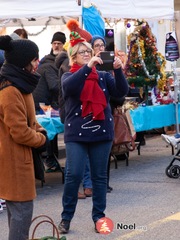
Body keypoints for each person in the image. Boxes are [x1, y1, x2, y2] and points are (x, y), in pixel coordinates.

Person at [58, 31, 129, 234]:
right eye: (82, 52)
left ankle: (99, 217)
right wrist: (88, 68)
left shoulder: (104, 76)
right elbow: (69, 88)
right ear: (73, 57)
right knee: (74, 175)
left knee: (99, 178)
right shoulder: (69, 75)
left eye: (89, 51)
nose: (87, 54)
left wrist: (118, 71)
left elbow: (120, 93)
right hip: (76, 134)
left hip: (101, 133)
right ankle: (66, 218)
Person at [0, 35, 48, 239]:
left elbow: (30, 121)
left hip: (20, 160)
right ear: (24, 62)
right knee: (21, 216)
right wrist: (41, 139)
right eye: (35, 59)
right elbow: (19, 132)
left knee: (19, 215)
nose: (37, 63)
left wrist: (39, 129)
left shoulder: (22, 85)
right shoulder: (10, 90)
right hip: (14, 162)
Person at [91, 35, 126, 193]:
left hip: (107, 112)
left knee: (105, 151)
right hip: (92, 115)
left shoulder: (110, 68)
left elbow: (119, 93)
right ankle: (92, 183)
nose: (100, 48)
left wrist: (117, 70)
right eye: (97, 45)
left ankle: (104, 183)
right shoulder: (89, 66)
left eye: (102, 45)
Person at [33, 31, 66, 171]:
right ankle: (49, 159)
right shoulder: (48, 64)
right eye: (54, 43)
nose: (56, 45)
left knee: (51, 131)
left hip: (49, 104)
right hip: (42, 105)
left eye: (59, 43)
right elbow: (54, 86)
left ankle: (51, 160)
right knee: (48, 130)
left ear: (64, 45)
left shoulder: (61, 61)